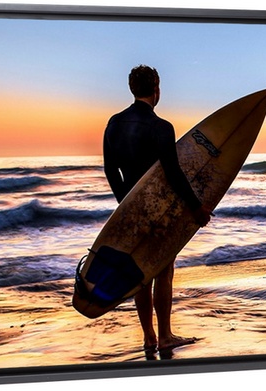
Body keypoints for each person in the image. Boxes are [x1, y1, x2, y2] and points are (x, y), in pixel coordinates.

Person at [102, 64, 212, 353]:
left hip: (131, 210)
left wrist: (124, 205)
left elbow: (111, 171)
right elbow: (173, 173)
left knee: (141, 274)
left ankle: (148, 337)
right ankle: (165, 335)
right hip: (159, 210)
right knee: (163, 270)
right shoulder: (161, 127)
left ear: (131, 88)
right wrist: (196, 208)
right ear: (157, 88)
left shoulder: (113, 124)